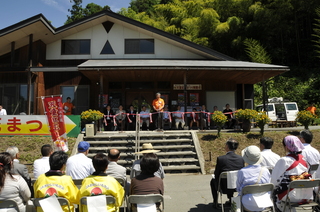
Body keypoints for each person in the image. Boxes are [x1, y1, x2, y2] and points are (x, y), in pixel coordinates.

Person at [271, 135, 312, 211]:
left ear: (286, 147)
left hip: (290, 196)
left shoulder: (284, 160)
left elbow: (274, 180)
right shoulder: (304, 159)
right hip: (306, 195)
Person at [210, 138, 244, 208]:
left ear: (227, 147)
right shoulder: (241, 158)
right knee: (232, 177)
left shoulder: (221, 159)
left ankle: (215, 202)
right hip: (237, 186)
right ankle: (231, 199)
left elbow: (217, 174)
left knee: (212, 181)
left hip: (223, 187)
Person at [237, 146, 271, 211]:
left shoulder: (242, 171)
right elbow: (268, 186)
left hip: (248, 203)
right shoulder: (265, 170)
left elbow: (238, 189)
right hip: (264, 202)